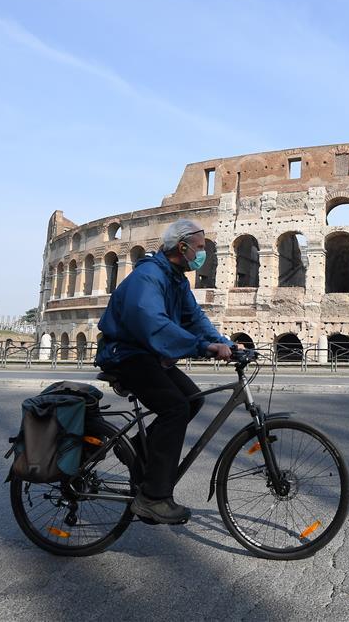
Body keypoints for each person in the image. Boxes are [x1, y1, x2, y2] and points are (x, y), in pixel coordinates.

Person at [95, 219, 234, 524]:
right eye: (199, 247)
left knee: (193, 398)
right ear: (181, 247)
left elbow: (195, 318)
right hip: (125, 355)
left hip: (148, 355)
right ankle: (153, 498)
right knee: (175, 408)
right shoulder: (149, 276)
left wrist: (225, 344)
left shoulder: (176, 280)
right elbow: (153, 325)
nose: (203, 253)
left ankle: (135, 449)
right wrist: (203, 347)